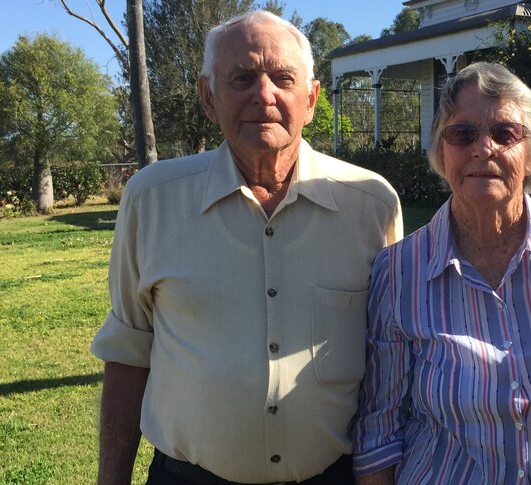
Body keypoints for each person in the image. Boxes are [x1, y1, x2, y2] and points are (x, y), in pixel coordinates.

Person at [91, 10, 402, 485]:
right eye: (241, 78)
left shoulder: (371, 204)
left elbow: (393, 355)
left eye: (283, 78)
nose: (264, 95)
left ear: (312, 98)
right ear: (208, 97)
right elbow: (129, 349)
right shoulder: (153, 199)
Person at [352, 62, 531, 485]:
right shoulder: (399, 271)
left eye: (504, 134)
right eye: (463, 134)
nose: (482, 149)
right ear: (442, 149)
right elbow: (380, 431)